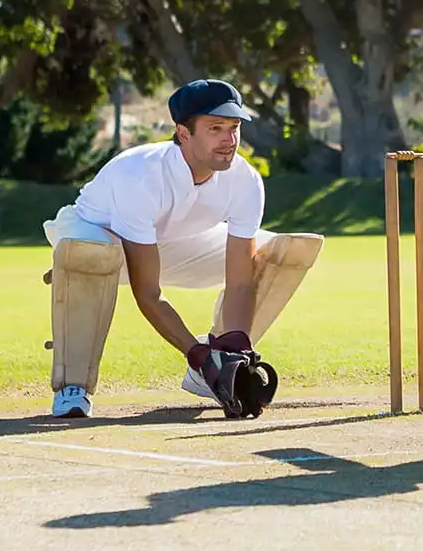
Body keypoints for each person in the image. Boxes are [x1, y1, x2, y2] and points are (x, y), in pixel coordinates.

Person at [41, 78, 325, 419]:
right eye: (216, 128)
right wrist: (196, 352)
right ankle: (73, 386)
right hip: (99, 239)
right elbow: (148, 293)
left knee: (286, 250)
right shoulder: (141, 176)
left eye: (234, 127)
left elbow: (240, 282)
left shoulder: (245, 180)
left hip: (174, 244)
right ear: (184, 133)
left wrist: (233, 348)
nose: (229, 139)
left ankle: (217, 367)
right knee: (92, 252)